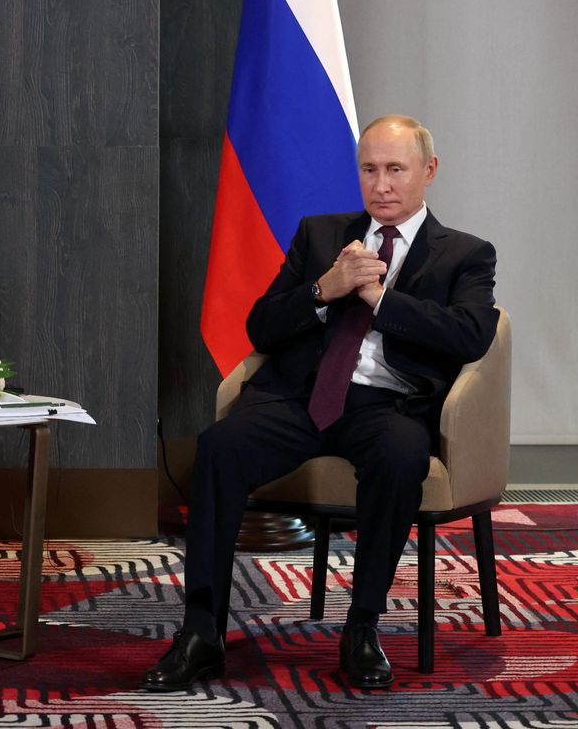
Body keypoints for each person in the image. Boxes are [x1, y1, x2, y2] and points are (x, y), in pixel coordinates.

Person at [143, 115, 498, 690]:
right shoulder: (320, 235)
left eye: (395, 170)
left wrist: (381, 301)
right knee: (218, 448)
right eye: (369, 170)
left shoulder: (465, 254)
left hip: (388, 407)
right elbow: (261, 328)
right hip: (300, 399)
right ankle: (201, 632)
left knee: (400, 458)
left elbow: (469, 335)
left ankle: (362, 627)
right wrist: (321, 291)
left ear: (429, 172)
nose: (381, 185)